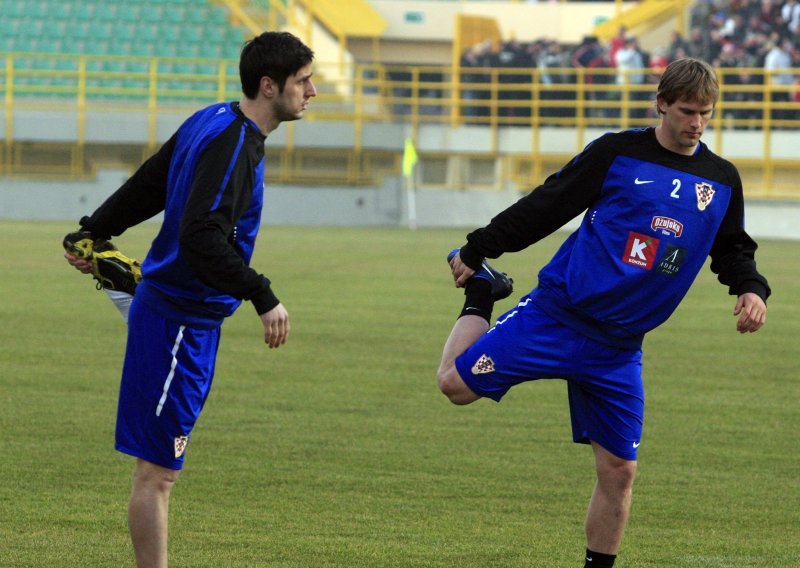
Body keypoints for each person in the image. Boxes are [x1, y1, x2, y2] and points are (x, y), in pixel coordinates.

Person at [436, 58, 769, 568]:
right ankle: (483, 295)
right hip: (557, 317)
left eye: (706, 113)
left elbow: (731, 248)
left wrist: (749, 288)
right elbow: (549, 204)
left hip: (618, 351)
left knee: (619, 472)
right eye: (686, 111)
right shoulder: (617, 153)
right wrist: (480, 249)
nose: (696, 123)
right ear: (661, 102)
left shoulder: (720, 179)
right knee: (454, 388)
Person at [63, 31, 316, 567]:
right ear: (269, 86)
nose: (311, 91)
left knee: (160, 471)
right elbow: (201, 236)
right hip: (179, 323)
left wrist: (94, 229)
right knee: (157, 474)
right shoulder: (235, 143)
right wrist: (262, 294)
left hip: (185, 318)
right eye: (302, 81)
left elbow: (153, 180)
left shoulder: (213, 118)